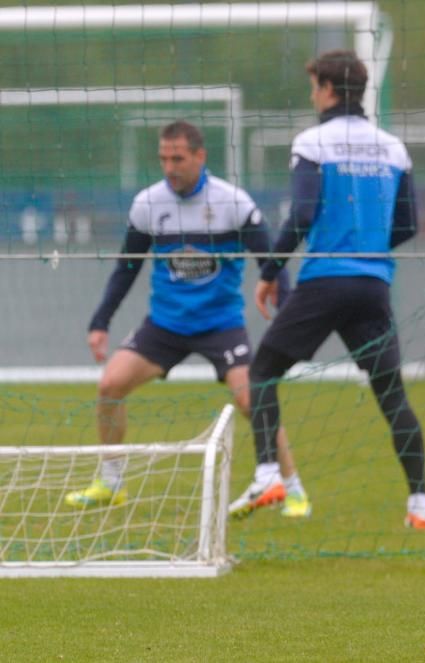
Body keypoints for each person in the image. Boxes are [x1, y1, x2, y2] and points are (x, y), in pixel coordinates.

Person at [234, 49, 425, 528]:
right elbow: (407, 223)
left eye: (314, 87)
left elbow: (301, 215)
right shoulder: (393, 148)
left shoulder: (313, 142)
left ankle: (268, 473)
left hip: (324, 281)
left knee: (262, 370)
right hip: (372, 286)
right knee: (392, 395)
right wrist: (367, 245)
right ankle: (421, 503)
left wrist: (269, 271)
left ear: (326, 90)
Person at [69, 120, 308, 518]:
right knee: (110, 384)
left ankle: (294, 488)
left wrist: (289, 320)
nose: (169, 167)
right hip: (165, 326)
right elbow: (126, 268)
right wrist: (100, 322)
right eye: (163, 158)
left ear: (200, 156)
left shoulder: (233, 204)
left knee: (253, 398)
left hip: (221, 325)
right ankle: (111, 482)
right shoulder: (148, 204)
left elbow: (272, 265)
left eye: (177, 158)